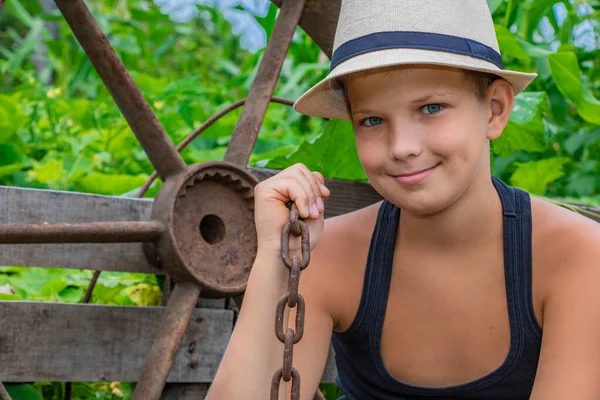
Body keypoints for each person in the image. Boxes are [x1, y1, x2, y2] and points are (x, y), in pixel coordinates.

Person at [207, 0, 600, 398]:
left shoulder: (575, 257)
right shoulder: (328, 255)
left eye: (431, 108)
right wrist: (277, 257)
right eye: (372, 120)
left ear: (495, 109)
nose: (402, 147)